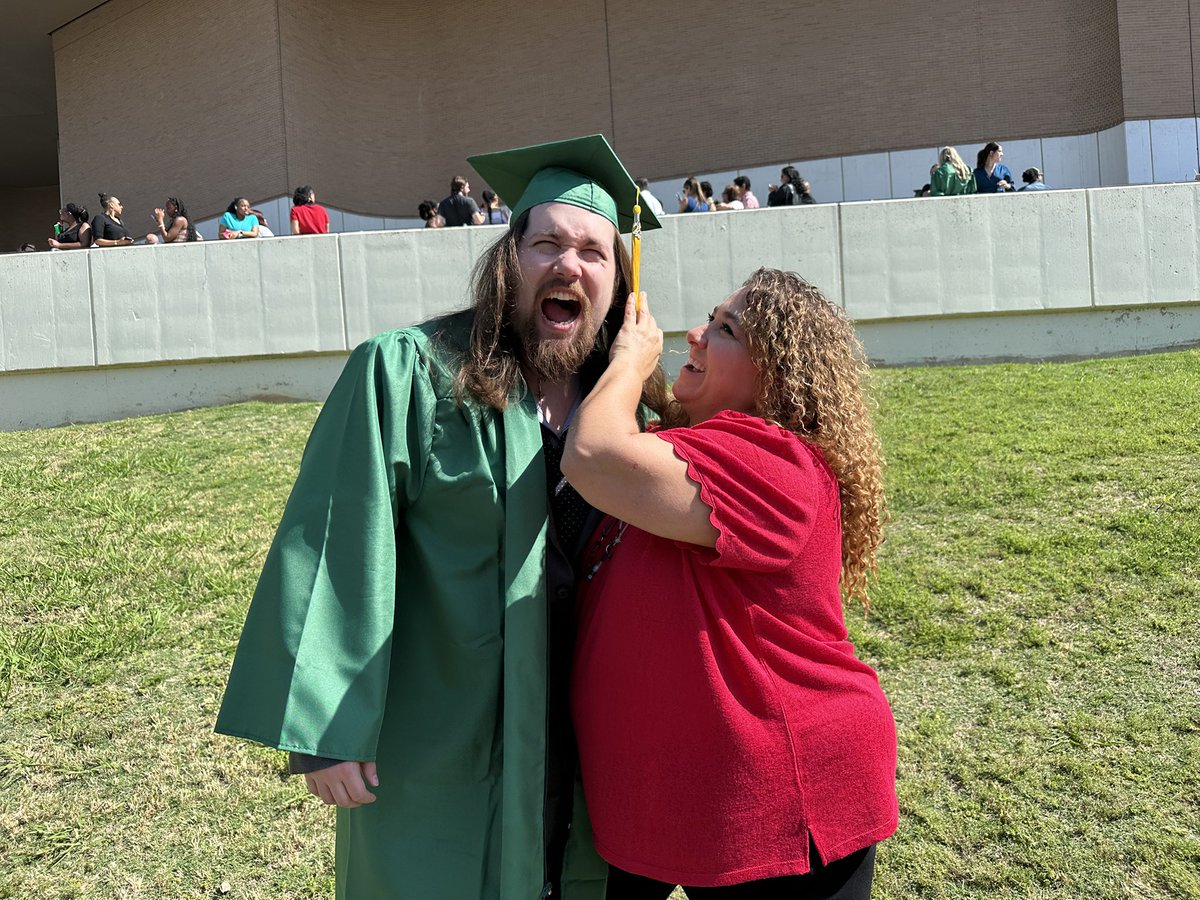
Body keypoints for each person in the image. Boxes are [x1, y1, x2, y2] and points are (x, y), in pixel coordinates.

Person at [215, 134, 669, 900]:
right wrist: (329, 730)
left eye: (594, 252)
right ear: (508, 260)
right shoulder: (412, 373)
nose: (569, 265)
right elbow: (341, 538)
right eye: (547, 243)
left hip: (583, 729)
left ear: (619, 285)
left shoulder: (624, 408)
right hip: (446, 732)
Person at [564, 268, 897, 900]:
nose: (694, 334)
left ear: (775, 373)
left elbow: (592, 456)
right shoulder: (694, 450)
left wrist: (632, 363)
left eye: (725, 329)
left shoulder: (775, 461)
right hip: (679, 794)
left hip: (777, 800)